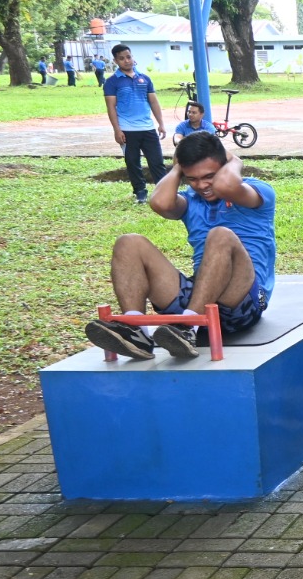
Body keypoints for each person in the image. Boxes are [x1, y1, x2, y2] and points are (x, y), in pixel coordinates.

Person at [83, 131, 276, 362]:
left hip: (242, 302)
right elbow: (159, 203)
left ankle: (188, 327)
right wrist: (177, 168)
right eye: (192, 179)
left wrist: (235, 161)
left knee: (220, 235)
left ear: (224, 166)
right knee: (128, 242)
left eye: (209, 176)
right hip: (199, 298)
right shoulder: (190, 201)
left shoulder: (257, 191)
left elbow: (226, 186)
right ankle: (136, 332)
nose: (201, 185)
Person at [101, 44, 167, 205]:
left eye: (128, 57)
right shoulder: (112, 82)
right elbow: (111, 107)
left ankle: (164, 191)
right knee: (132, 163)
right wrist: (117, 130)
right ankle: (140, 192)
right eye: (121, 58)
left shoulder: (145, 78)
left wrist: (161, 123)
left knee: (157, 162)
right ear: (115, 61)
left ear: (132, 57)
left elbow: (154, 102)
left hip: (148, 128)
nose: (126, 61)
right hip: (127, 130)